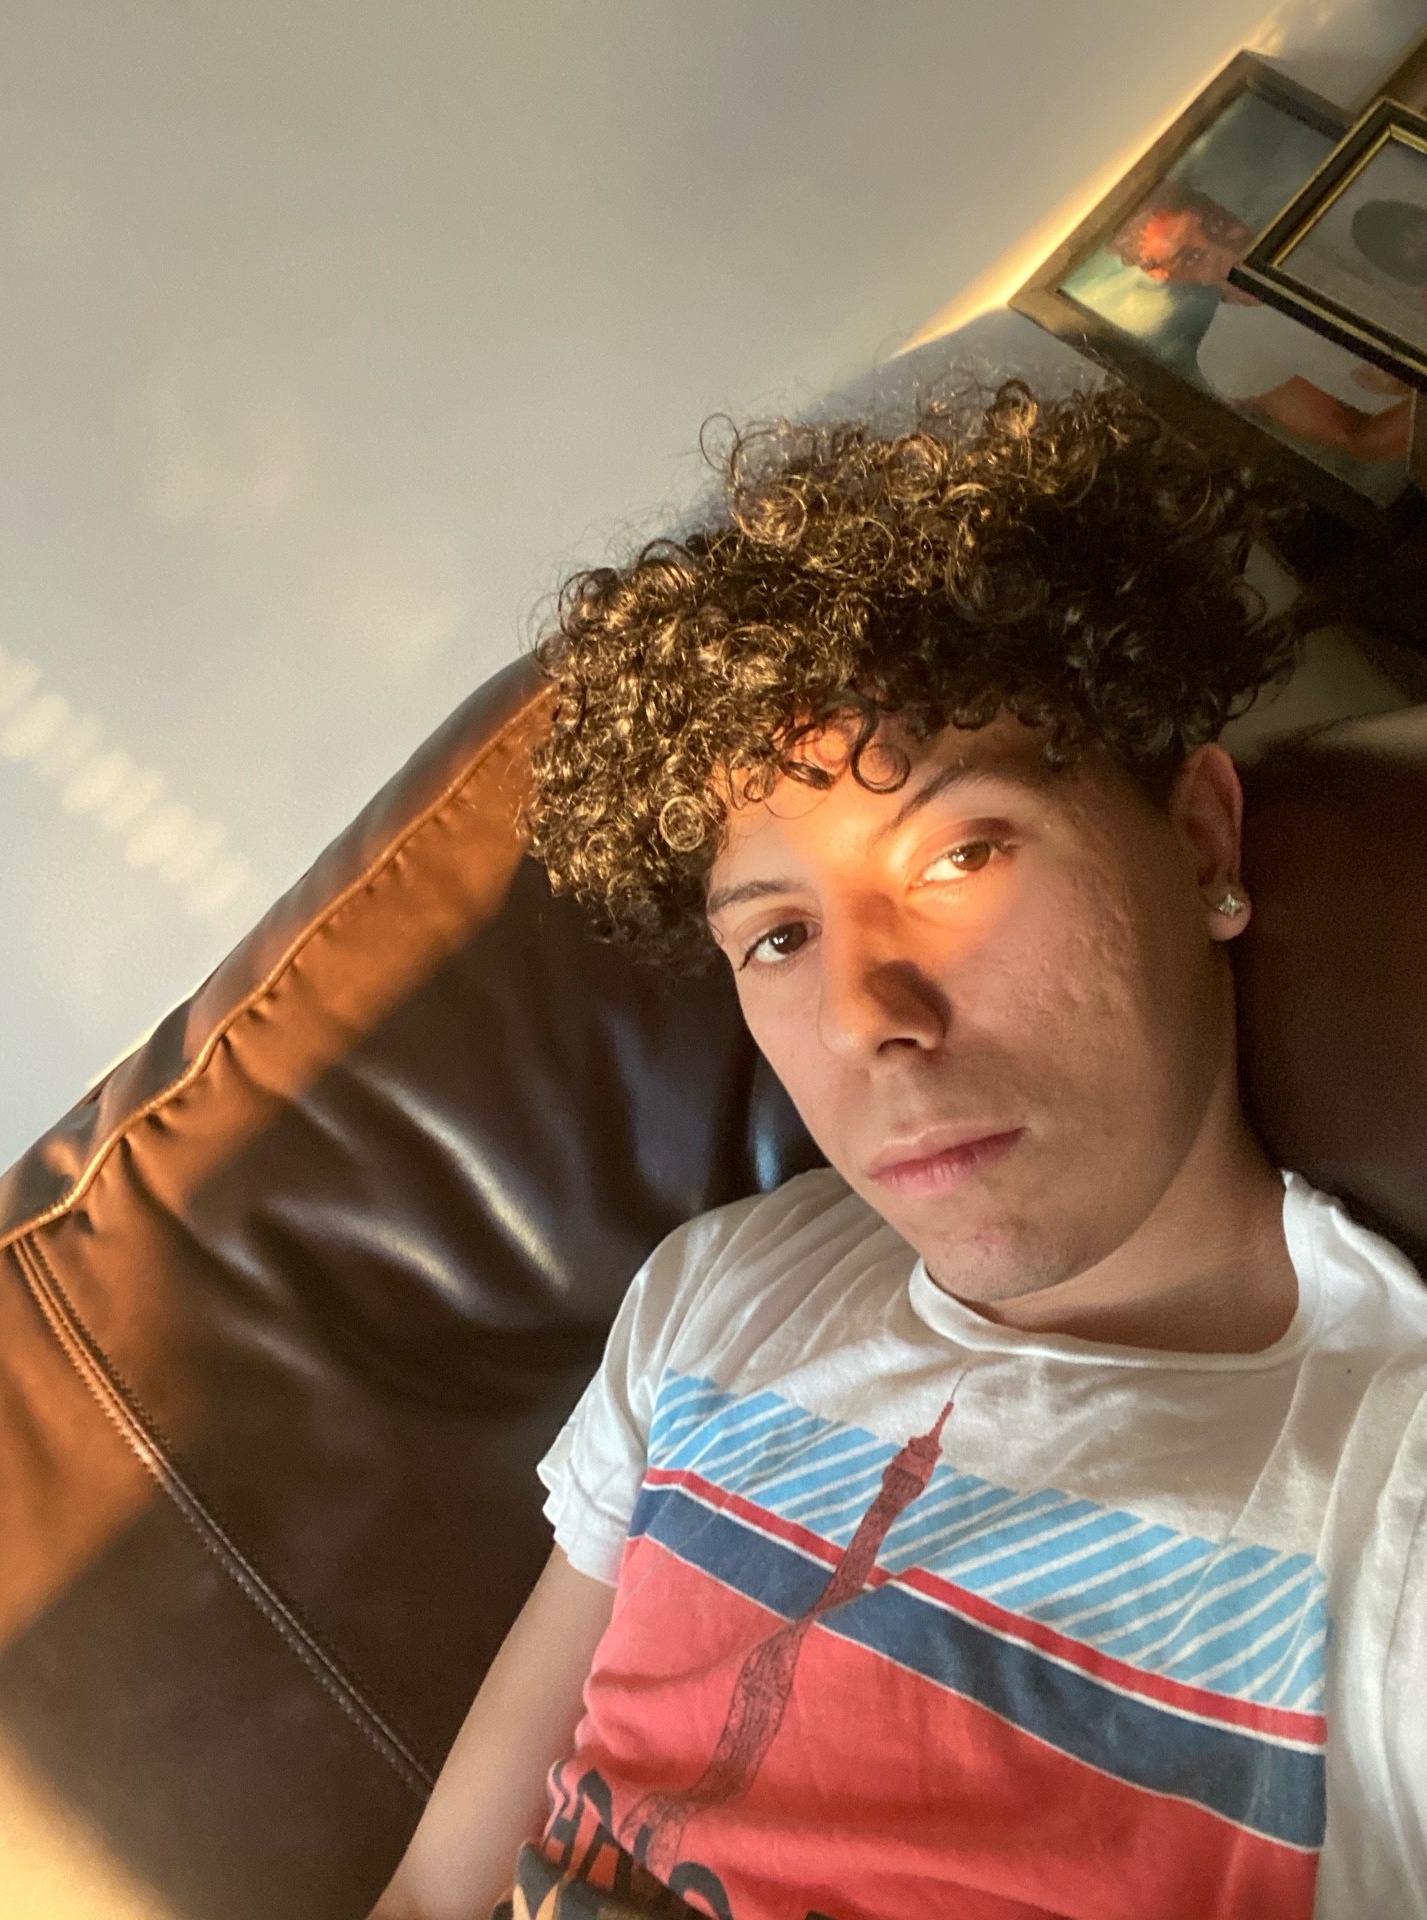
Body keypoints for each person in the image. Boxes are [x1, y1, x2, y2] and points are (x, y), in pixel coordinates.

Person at [369, 383, 1427, 1920]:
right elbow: (433, 1896)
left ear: (1200, 838)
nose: (869, 1018)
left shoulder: (1389, 1497)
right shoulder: (722, 1293)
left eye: (960, 854)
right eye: (779, 934)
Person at [1112, 181, 1412, 462]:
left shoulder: (1316, 227)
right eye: (1192, 257)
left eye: (1216, 225)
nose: (1224, 250)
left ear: (1217, 205)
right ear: (1165, 275)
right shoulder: (1229, 353)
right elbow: (1361, 439)